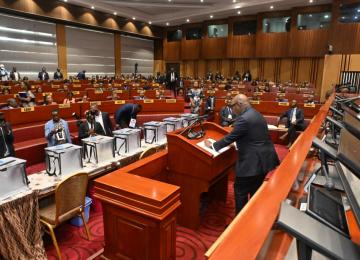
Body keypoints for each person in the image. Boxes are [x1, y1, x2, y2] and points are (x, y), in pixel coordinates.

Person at [204, 94, 279, 214]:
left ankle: (239, 221)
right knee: (255, 190)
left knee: (240, 191)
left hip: (252, 162)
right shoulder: (256, 113)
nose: (232, 110)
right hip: (265, 159)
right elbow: (253, 136)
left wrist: (213, 146)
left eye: (232, 106)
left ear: (239, 104)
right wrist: (238, 144)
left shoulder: (243, 118)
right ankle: (252, 216)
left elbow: (230, 138)